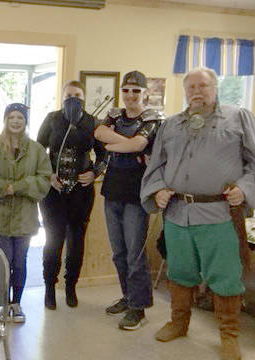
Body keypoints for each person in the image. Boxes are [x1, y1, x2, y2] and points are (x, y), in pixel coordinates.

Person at [141, 67, 255, 360]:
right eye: (190, 87)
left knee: (226, 277)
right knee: (179, 272)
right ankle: (179, 323)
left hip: (220, 215)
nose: (196, 91)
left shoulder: (238, 117)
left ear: (214, 88)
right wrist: (157, 191)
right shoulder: (171, 125)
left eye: (202, 86)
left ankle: (229, 335)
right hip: (178, 215)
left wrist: (244, 188)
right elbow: (156, 167)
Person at [94, 71, 164, 330]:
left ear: (145, 92)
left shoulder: (153, 118)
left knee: (135, 254)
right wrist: (127, 145)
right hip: (112, 190)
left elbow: (139, 144)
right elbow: (100, 134)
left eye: (136, 90)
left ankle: (139, 308)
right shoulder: (114, 115)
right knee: (119, 253)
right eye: (126, 90)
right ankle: (128, 296)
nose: (131, 95)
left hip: (137, 193)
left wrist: (125, 145)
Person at [37, 81, 106, 310]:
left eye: (77, 95)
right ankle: (49, 287)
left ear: (84, 98)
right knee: (53, 240)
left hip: (82, 192)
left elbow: (104, 154)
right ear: (62, 96)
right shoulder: (52, 119)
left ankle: (70, 287)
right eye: (69, 95)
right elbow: (39, 151)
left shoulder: (93, 122)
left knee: (76, 242)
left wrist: (93, 173)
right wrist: (48, 175)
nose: (73, 99)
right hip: (53, 192)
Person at [0, 103, 51, 323]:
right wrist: (4, 188)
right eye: (11, 117)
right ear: (5, 119)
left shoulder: (37, 150)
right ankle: (3, 304)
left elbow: (44, 179)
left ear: (25, 121)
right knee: (4, 262)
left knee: (20, 262)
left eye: (19, 117)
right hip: (0, 214)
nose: (15, 121)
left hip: (25, 216)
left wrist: (18, 187)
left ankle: (17, 303)